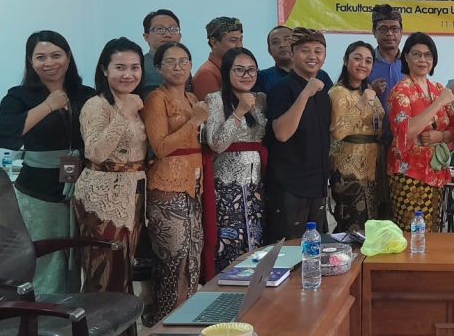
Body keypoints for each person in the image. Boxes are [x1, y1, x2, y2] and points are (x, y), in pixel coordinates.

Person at [0, 30, 94, 295]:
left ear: (68, 57)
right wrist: (49, 106)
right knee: (44, 257)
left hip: (82, 187)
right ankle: (41, 312)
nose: (49, 62)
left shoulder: (86, 94)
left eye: (56, 55)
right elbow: (5, 134)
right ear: (30, 62)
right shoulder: (18, 96)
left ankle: (71, 310)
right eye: (41, 57)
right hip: (37, 192)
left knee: (77, 257)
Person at [141, 42, 208, 325]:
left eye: (184, 61)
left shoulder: (193, 98)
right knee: (173, 259)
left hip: (194, 185)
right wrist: (195, 121)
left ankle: (187, 318)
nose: (178, 67)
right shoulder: (156, 99)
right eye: (170, 61)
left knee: (193, 256)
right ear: (158, 68)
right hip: (167, 185)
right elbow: (160, 147)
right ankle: (166, 321)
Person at [74, 38, 146, 297]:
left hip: (133, 191)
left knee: (124, 267)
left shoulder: (136, 102)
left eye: (134, 67)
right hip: (102, 195)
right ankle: (99, 319)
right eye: (120, 67)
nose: (128, 74)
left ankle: (123, 319)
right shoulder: (97, 104)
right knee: (103, 268)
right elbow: (95, 151)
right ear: (105, 69)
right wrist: (124, 114)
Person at [203, 47, 267, 275]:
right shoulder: (215, 99)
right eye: (239, 70)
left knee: (256, 241)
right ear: (226, 72)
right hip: (226, 186)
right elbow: (216, 143)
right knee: (229, 243)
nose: (246, 75)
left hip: (256, 184)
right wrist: (239, 112)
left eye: (251, 70)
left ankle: (256, 291)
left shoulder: (261, 99)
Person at [265, 28, 331, 240]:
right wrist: (305, 94)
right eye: (305, 50)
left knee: (316, 248)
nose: (312, 56)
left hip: (317, 183)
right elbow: (282, 134)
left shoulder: (323, 89)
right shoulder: (282, 88)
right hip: (289, 185)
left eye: (318, 51)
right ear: (293, 54)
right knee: (290, 250)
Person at [386, 33, 454, 231]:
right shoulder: (401, 91)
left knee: (433, 229)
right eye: (416, 54)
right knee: (413, 231)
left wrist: (440, 136)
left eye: (428, 55)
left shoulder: (438, 89)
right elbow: (405, 132)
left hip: (436, 171)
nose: (422, 60)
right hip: (409, 174)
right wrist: (439, 103)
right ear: (406, 58)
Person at [329, 41, 384, 233]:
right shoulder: (337, 93)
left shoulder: (367, 91)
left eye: (368, 61)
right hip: (349, 168)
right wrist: (361, 104)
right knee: (353, 222)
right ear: (346, 61)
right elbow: (338, 131)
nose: (363, 64)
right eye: (357, 59)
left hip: (373, 166)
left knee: (372, 223)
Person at [253, 25, 333, 93]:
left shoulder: (321, 75)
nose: (282, 45)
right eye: (275, 42)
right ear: (269, 50)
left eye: (287, 39)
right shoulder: (262, 77)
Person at [193, 17, 244, 100]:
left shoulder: (231, 68)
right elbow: (212, 108)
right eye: (233, 40)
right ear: (214, 42)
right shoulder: (206, 74)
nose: (239, 45)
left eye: (241, 40)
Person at [367, 4, 405, 110]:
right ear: (374, 32)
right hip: (370, 120)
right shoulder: (364, 63)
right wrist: (370, 91)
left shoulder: (410, 63)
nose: (389, 33)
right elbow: (348, 98)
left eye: (394, 29)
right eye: (383, 29)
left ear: (401, 32)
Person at [140, 9, 182, 97]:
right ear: (146, 37)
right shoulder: (140, 66)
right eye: (160, 29)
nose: (167, 34)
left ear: (179, 37)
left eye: (173, 29)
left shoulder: (183, 65)